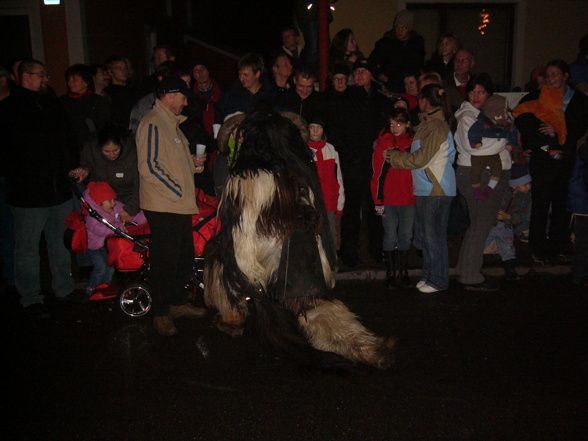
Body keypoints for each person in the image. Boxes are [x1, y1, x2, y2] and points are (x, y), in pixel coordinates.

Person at [204, 111, 395, 369]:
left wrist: (246, 277)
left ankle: (233, 314)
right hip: (301, 251)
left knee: (216, 254)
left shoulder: (243, 180)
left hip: (262, 253)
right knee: (311, 305)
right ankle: (364, 347)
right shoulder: (300, 175)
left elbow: (241, 233)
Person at [0, 59, 85, 317]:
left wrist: (72, 164)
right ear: (25, 76)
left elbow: (68, 138)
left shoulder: (50, 104)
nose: (45, 79)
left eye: (46, 75)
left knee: (59, 243)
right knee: (27, 249)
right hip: (28, 194)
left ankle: (64, 287)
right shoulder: (9, 109)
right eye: (40, 75)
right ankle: (31, 297)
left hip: (58, 189)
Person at [136, 76, 207, 336]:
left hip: (177, 205)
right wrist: (178, 190)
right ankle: (161, 312)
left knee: (183, 258)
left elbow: (168, 162)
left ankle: (177, 303)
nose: (185, 103)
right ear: (170, 95)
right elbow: (150, 166)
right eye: (183, 97)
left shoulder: (171, 125)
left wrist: (192, 164)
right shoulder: (154, 123)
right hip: (165, 205)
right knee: (165, 261)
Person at [514, 59, 588, 266]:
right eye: (549, 74)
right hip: (543, 158)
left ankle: (559, 245)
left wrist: (558, 131)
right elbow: (521, 117)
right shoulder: (538, 96)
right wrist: (541, 141)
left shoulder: (578, 100)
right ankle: (538, 248)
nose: (551, 78)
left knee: (561, 203)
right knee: (541, 203)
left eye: (555, 74)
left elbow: (579, 128)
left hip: (566, 157)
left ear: (566, 76)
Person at [384, 84, 456, 293]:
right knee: (427, 236)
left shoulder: (436, 127)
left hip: (436, 189)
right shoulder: (427, 125)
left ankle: (438, 280)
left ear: (425, 101)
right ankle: (429, 276)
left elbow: (421, 159)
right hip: (427, 188)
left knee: (434, 238)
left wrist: (394, 157)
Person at [454, 73, 510, 291]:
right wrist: (503, 137)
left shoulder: (490, 114)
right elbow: (475, 147)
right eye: (472, 91)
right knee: (480, 225)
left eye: (481, 92)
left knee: (479, 224)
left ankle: (465, 269)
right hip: (478, 174)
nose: (476, 96)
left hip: (489, 172)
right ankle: (470, 275)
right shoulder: (467, 115)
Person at [338, 58, 393, 268]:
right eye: (357, 71)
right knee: (351, 209)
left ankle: (377, 248)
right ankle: (349, 251)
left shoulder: (382, 102)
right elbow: (338, 132)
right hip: (353, 164)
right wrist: (347, 156)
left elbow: (390, 130)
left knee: (377, 208)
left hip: (376, 167)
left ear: (371, 75)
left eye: (364, 71)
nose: (360, 75)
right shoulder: (345, 100)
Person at [371, 108, 415, 289]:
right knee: (390, 235)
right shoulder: (385, 143)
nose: (395, 128)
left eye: (399, 124)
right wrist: (378, 200)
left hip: (409, 198)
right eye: (392, 124)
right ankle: (390, 273)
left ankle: (403, 272)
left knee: (406, 235)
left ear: (407, 124)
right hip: (389, 198)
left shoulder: (413, 143)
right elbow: (377, 174)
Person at [83, 181, 147, 296]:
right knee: (101, 267)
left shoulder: (115, 206)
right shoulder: (92, 216)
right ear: (98, 203)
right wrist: (117, 229)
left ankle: (105, 287)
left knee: (111, 266)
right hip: (95, 247)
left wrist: (143, 217)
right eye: (109, 201)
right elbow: (100, 230)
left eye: (113, 199)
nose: (113, 203)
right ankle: (92, 288)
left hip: (107, 245)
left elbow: (129, 214)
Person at [69, 123, 140, 220]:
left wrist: (131, 210)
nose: (111, 155)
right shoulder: (91, 150)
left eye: (115, 150)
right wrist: (85, 170)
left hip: (130, 199)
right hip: (103, 202)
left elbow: (140, 185)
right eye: (106, 152)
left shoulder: (133, 153)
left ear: (121, 143)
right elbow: (87, 168)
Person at [484, 163, 532, 281]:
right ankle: (476, 269)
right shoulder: (501, 192)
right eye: (525, 184)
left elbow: (524, 214)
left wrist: (509, 217)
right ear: (515, 185)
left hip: (506, 225)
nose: (528, 187)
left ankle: (510, 270)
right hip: (492, 225)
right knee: (482, 244)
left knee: (508, 248)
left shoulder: (524, 197)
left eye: (529, 184)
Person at [468, 94, 519, 201]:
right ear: (497, 112)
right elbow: (473, 132)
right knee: (475, 173)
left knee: (497, 171)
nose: (507, 115)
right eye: (504, 112)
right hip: (480, 154)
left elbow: (514, 133)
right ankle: (477, 192)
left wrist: (512, 144)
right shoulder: (482, 123)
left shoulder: (506, 125)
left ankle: (489, 189)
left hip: (495, 155)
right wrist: (475, 142)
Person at [213, 53, 277, 138]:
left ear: (257, 74)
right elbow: (220, 112)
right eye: (240, 74)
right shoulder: (232, 92)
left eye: (246, 75)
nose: (241, 78)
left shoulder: (270, 94)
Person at [306, 115, 344, 248]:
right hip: (312, 202)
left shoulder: (331, 150)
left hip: (329, 201)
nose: (315, 131)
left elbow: (338, 178)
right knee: (312, 238)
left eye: (319, 128)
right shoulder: (304, 150)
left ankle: (332, 265)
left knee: (330, 236)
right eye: (312, 127)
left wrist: (340, 202)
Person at [369, 9, 426, 93]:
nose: (399, 31)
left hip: (410, 88)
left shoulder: (416, 43)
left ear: (409, 29)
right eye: (397, 27)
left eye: (403, 28)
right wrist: (379, 74)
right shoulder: (385, 43)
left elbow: (419, 64)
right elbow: (371, 62)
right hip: (391, 87)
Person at [59, 64, 111, 149]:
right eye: (69, 80)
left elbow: (104, 126)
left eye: (75, 80)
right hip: (70, 146)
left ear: (86, 82)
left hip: (93, 147)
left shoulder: (98, 101)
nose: (70, 83)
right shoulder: (62, 102)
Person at [567, 141, 588, 286]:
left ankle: (580, 274)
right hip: (584, 203)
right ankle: (580, 275)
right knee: (583, 242)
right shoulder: (585, 148)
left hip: (582, 202)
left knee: (583, 242)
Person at [104, 56, 138, 129]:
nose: (123, 71)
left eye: (125, 68)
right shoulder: (108, 92)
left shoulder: (134, 89)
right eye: (118, 68)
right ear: (110, 72)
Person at [191, 58, 222, 137]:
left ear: (208, 71)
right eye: (196, 71)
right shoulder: (191, 97)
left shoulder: (222, 91)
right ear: (194, 75)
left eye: (202, 69)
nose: (200, 73)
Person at [443, 49, 476, 113]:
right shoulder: (444, 85)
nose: (459, 64)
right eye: (457, 60)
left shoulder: (477, 84)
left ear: (472, 64)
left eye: (464, 61)